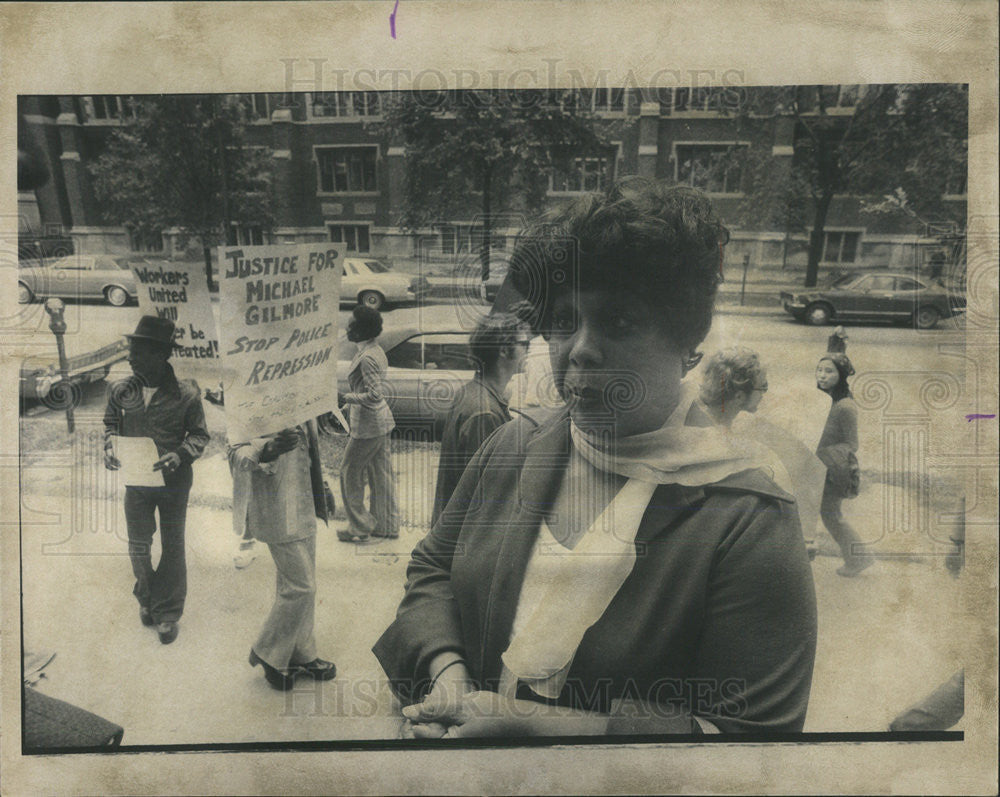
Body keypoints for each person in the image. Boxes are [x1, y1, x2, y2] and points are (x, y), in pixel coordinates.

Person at [374, 178, 817, 738]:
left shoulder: (748, 518)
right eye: (563, 320)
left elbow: (754, 741)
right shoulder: (514, 445)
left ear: (687, 341)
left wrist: (536, 727)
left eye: (621, 322)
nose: (579, 347)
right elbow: (434, 568)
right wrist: (449, 677)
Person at [103, 316, 210, 645]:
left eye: (138, 351)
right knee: (138, 545)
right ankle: (147, 598)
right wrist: (108, 445)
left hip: (175, 481)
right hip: (136, 481)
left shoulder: (187, 393)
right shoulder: (121, 389)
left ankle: (168, 612)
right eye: (131, 350)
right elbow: (110, 424)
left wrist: (179, 454)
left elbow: (200, 436)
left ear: (160, 354)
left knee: (173, 545)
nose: (131, 357)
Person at [229, 422, 337, 690]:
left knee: (299, 583)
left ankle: (303, 653)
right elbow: (235, 453)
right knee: (303, 587)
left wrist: (321, 484)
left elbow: (309, 449)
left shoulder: (301, 392)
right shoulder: (249, 396)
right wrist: (267, 449)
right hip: (275, 504)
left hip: (303, 502)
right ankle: (268, 652)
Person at [430, 311, 532, 528]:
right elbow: (486, 494)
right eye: (526, 345)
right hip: (466, 537)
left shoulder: (472, 393)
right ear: (504, 350)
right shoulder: (484, 414)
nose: (529, 352)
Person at [338, 305, 399, 542]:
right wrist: (349, 403)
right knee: (381, 474)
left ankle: (360, 526)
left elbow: (375, 395)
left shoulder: (367, 358)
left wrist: (348, 398)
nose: (347, 328)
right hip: (380, 423)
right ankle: (387, 526)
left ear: (362, 330)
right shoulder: (374, 350)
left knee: (349, 473)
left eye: (351, 325)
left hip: (369, 426)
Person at [815, 352, 870, 577]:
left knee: (831, 515)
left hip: (834, 469)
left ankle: (859, 559)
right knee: (826, 514)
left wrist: (825, 454)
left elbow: (852, 444)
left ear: (842, 375)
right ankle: (859, 558)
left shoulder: (844, 406)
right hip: (820, 466)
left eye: (829, 371)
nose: (822, 375)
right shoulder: (826, 400)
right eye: (819, 370)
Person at [697, 347, 768, 427]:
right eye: (763, 386)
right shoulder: (714, 434)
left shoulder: (700, 413)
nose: (763, 394)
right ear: (739, 397)